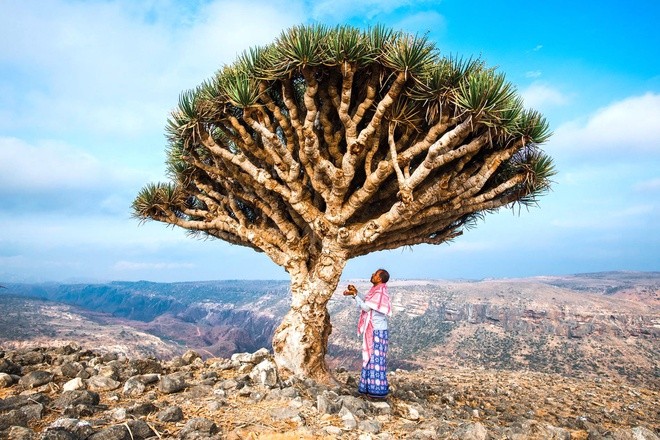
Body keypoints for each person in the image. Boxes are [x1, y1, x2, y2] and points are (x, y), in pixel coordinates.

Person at [343, 268, 392, 399]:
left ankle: (377, 392)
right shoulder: (377, 291)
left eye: (375, 274)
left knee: (375, 360)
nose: (372, 275)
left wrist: (355, 296)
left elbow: (366, 307)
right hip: (376, 330)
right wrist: (356, 293)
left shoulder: (379, 292)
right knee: (371, 359)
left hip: (377, 331)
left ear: (380, 279)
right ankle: (368, 389)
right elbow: (368, 302)